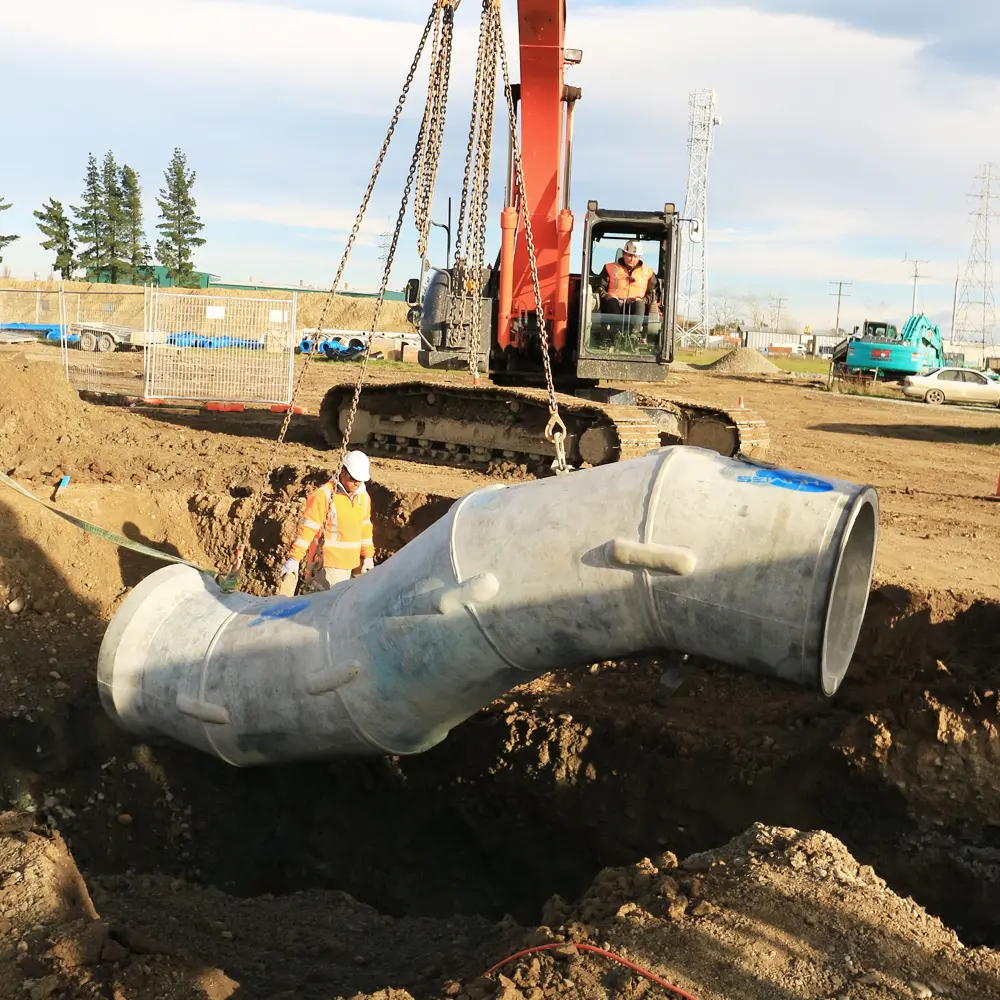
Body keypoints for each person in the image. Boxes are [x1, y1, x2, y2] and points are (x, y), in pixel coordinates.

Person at [279, 450, 375, 596]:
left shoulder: (363, 497)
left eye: (360, 480)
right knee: (321, 611)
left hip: (354, 565)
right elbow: (308, 529)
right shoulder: (324, 495)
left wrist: (368, 556)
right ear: (343, 472)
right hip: (329, 566)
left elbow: (365, 528)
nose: (357, 483)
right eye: (354, 478)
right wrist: (294, 558)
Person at [597, 240, 658, 336]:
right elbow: (599, 288)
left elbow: (654, 293)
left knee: (639, 304)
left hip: (636, 307)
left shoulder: (648, 272)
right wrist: (608, 297)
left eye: (635, 256)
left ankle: (635, 335)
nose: (631, 259)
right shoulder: (609, 268)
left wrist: (644, 300)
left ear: (639, 257)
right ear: (624, 254)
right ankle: (615, 334)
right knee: (612, 302)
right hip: (614, 306)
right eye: (629, 255)